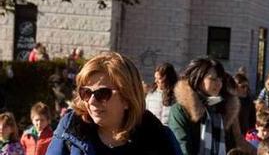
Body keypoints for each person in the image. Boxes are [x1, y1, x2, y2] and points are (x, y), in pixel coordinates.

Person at [45, 51, 183, 155]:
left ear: (127, 98)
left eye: (102, 94)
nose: (92, 101)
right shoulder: (70, 130)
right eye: (86, 92)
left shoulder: (159, 138)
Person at [167, 57, 252, 155]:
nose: (218, 83)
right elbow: (181, 146)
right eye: (213, 79)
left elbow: (233, 144)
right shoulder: (180, 110)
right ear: (198, 78)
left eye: (220, 79)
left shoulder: (224, 108)